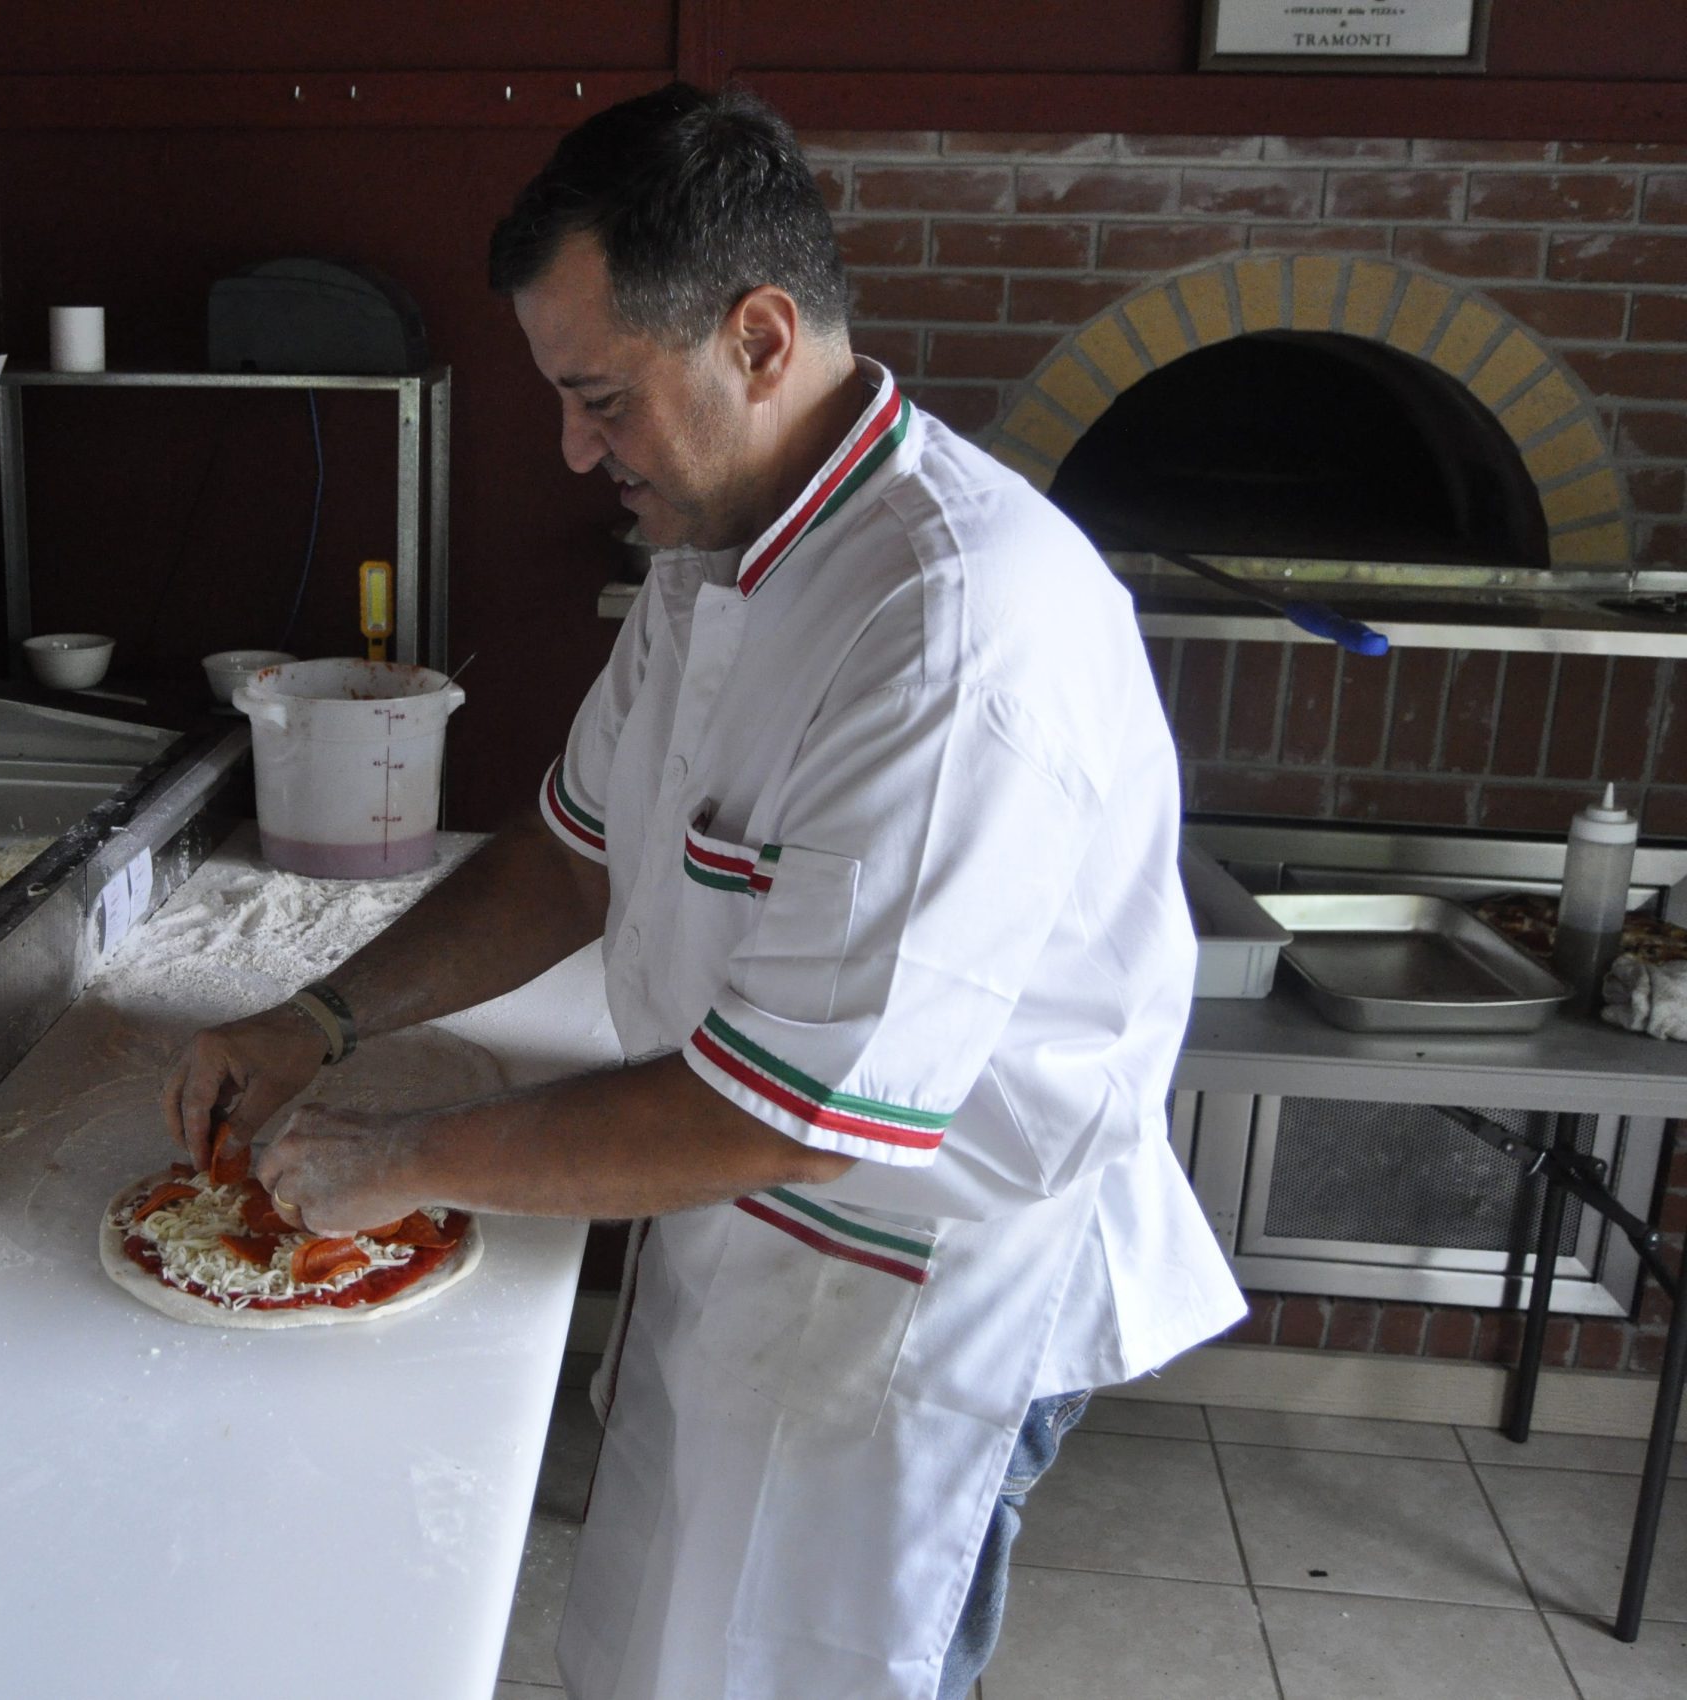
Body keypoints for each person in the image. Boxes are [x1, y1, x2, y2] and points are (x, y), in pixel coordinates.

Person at [159, 82, 1244, 1700]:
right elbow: (570, 855)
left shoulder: (953, 630)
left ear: (758, 338)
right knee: (667, 1653)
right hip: (732, 1216)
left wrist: (405, 1161)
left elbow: (793, 1114)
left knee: (807, 1669)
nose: (572, 448)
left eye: (599, 398)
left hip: (911, 1293)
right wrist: (320, 1018)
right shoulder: (710, 552)